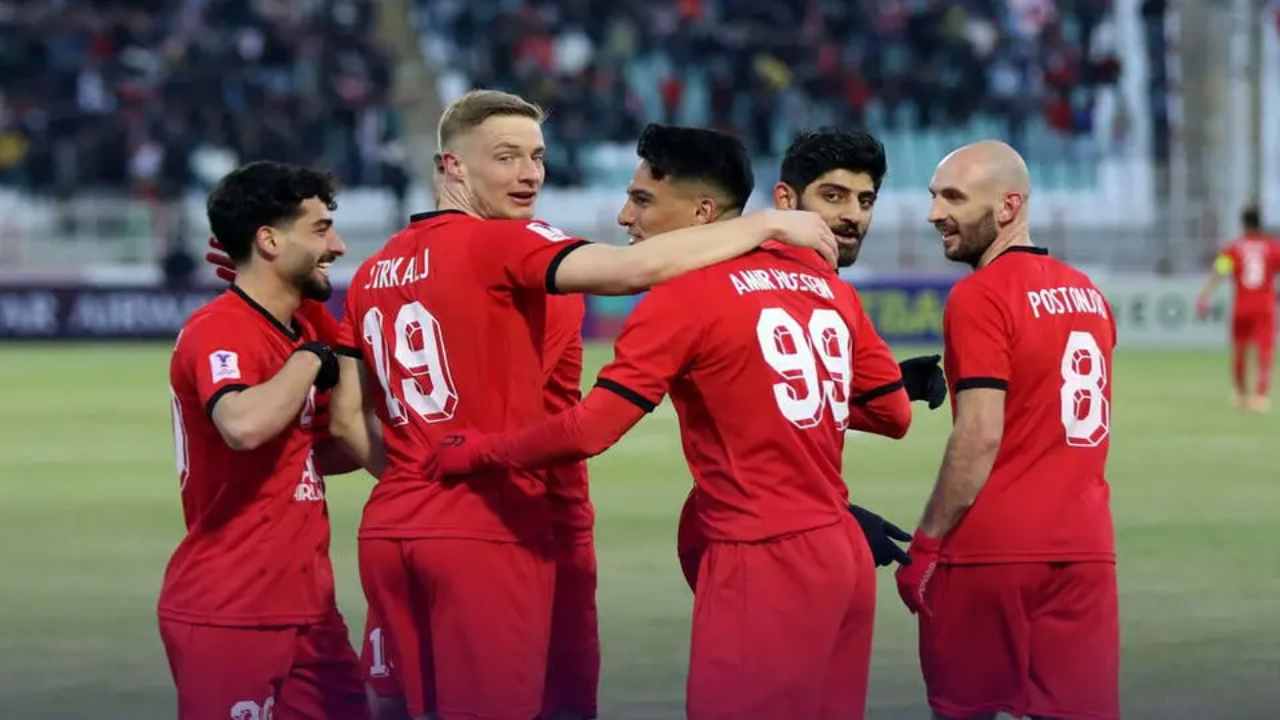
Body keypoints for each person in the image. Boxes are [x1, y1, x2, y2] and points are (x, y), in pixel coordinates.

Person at [325, 92, 836, 720]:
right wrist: (765, 225)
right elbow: (628, 271)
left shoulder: (373, 271)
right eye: (506, 158)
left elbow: (347, 419)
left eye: (537, 157)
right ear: (452, 166)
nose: (529, 174)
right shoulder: (505, 243)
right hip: (487, 525)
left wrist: (414, 478)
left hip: (390, 528)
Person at [434, 123, 913, 719]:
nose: (624, 218)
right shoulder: (826, 286)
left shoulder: (683, 295)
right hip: (843, 553)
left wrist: (479, 452)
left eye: (642, 200)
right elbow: (893, 413)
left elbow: (591, 429)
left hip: (759, 554)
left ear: (701, 213)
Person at [895, 141, 1119, 720]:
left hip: (990, 554)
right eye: (934, 197)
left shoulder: (980, 296)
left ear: (1008, 206)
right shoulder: (1089, 294)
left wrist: (927, 542)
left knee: (964, 710)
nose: (934, 214)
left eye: (953, 198)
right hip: (1085, 552)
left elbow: (979, 435)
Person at [673, 127, 948, 588]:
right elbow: (893, 417)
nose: (852, 215)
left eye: (865, 200)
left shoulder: (729, 274)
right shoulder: (831, 296)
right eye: (833, 196)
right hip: (758, 532)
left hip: (731, 524)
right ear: (785, 199)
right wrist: (836, 520)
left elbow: (769, 398)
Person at [161, 161, 368, 720]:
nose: (338, 246)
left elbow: (325, 447)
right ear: (270, 241)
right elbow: (243, 425)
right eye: (321, 229)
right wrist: (309, 359)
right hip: (231, 608)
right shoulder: (220, 328)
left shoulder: (303, 325)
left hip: (310, 610)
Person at [1196, 205, 1280, 412]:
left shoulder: (1234, 248)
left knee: (1240, 349)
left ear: (1243, 224)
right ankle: (1260, 396)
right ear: (1260, 223)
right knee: (1264, 350)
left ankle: (1241, 394)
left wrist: (1204, 296)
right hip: (1265, 307)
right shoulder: (1272, 247)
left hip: (1242, 307)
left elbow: (1219, 271)